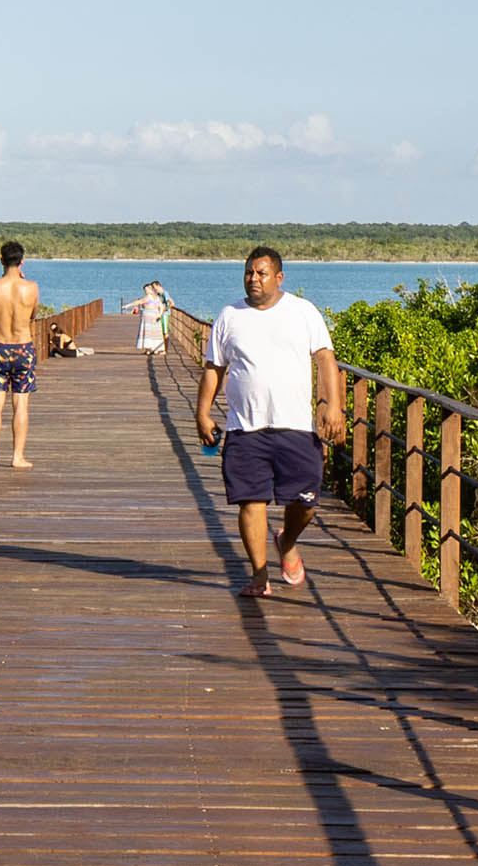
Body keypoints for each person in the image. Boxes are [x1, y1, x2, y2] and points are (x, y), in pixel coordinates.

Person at [195, 246, 344, 600]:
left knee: (306, 501)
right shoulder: (229, 315)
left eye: (261, 273)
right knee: (251, 500)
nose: (253, 279)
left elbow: (325, 358)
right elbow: (214, 368)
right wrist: (202, 412)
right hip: (245, 427)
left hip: (295, 425)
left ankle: (287, 541)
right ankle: (260, 575)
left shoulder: (303, 312)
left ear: (279, 277)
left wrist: (333, 405)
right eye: (249, 272)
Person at [0, 239, 41, 469]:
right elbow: (33, 314)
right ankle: (17, 457)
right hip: (23, 348)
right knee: (21, 405)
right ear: (22, 261)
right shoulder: (32, 287)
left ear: (1, 260)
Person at [130, 279, 171, 361]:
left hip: (164, 314)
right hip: (157, 314)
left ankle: (164, 350)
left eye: (154, 287)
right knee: (156, 332)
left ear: (158, 285)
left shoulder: (164, 293)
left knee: (164, 332)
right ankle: (155, 349)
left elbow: (170, 303)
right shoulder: (158, 294)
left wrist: (163, 310)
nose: (154, 289)